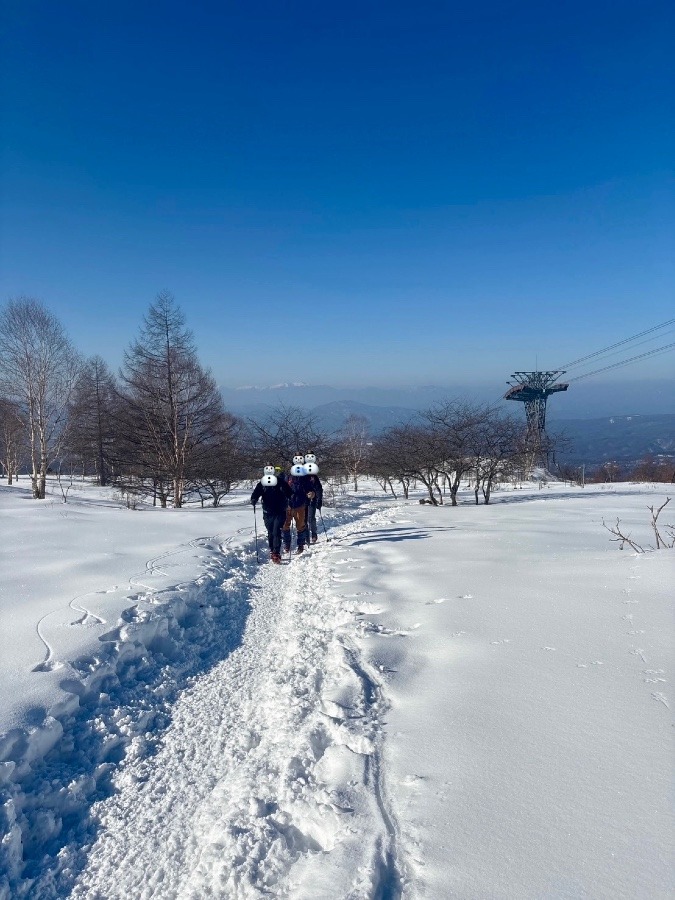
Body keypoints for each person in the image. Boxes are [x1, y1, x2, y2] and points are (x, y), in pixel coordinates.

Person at [250, 467, 291, 563]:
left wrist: (291, 497)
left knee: (276, 531)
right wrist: (254, 499)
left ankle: (276, 553)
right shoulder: (262, 483)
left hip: (280, 511)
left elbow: (289, 492)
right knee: (270, 532)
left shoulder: (281, 482)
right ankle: (272, 550)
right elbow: (256, 493)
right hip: (267, 512)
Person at [282, 457, 312, 554]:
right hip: (288, 505)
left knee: (300, 525)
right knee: (285, 525)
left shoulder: (305, 477)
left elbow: (310, 488)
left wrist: (311, 493)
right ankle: (287, 544)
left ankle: (300, 545)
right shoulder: (287, 477)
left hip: (300, 504)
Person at [304, 457, 323, 544]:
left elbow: (319, 488)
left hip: (312, 500)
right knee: (304, 520)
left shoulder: (314, 477)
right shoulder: (301, 476)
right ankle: (306, 536)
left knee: (311, 518)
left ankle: (314, 535)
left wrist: (319, 499)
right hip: (302, 501)